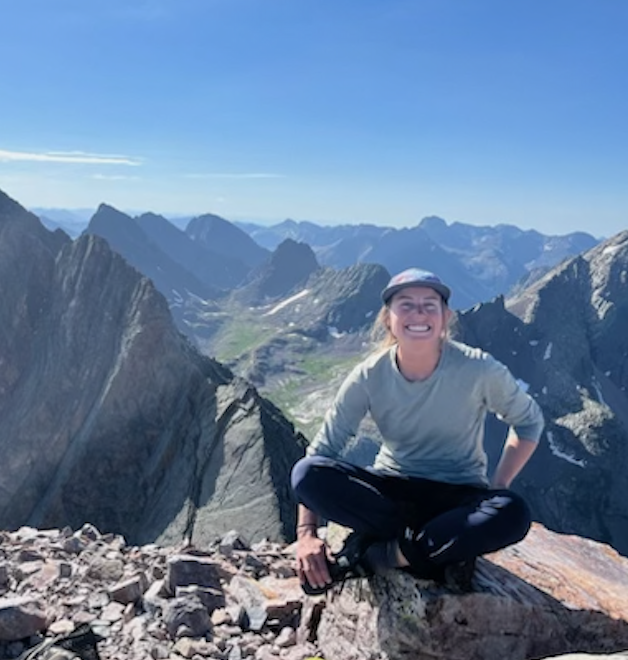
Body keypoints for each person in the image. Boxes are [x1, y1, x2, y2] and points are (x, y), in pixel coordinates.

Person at [290, 268, 544, 595]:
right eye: (406, 305)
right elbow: (321, 454)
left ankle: (375, 556)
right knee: (307, 474)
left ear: (445, 317)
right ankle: (433, 550)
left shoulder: (479, 369)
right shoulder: (369, 375)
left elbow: (528, 422)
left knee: (513, 513)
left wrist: (499, 486)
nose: (418, 313)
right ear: (388, 318)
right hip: (391, 493)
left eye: (429, 305)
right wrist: (306, 533)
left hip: (458, 498)